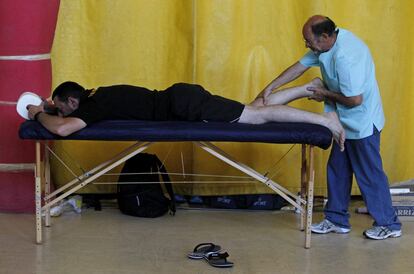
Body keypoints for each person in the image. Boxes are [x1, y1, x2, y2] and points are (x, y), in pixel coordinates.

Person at [257, 15, 401, 240]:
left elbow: (355, 100)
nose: (305, 43)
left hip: (362, 121)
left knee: (369, 174)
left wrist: (323, 93)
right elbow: (299, 66)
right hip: (342, 120)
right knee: (338, 169)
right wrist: (271, 87)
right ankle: (336, 219)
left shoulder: (346, 56)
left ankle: (389, 225)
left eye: (308, 40)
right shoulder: (326, 45)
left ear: (324, 37)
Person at [27, 80, 345, 149]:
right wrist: (49, 107)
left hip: (186, 107)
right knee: (253, 109)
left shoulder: (93, 106)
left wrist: (38, 114)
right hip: (183, 98)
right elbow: (66, 120)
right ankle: (308, 88)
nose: (58, 111)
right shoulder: (98, 93)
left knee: (256, 117)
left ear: (71, 101)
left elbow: (63, 130)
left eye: (59, 105)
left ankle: (324, 120)